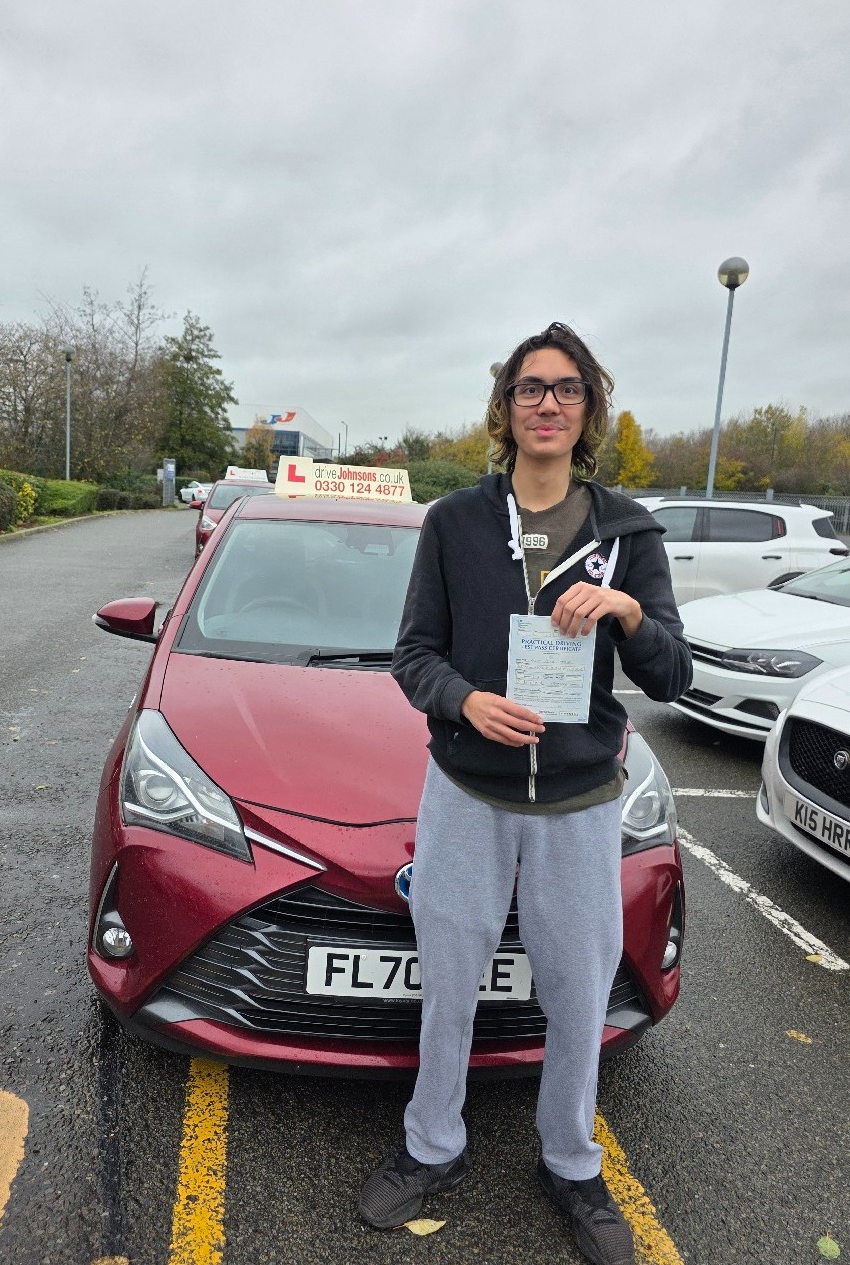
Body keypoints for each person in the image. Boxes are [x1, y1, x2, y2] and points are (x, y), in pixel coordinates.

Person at [358, 322, 692, 1265]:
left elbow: (672, 676)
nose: (548, 403)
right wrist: (465, 700)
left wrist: (628, 612)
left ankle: (572, 1161)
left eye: (568, 389)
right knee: (450, 982)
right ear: (505, 407)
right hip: (466, 788)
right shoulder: (455, 523)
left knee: (579, 991)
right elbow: (413, 655)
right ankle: (433, 1145)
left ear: (589, 409)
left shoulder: (627, 533)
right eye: (530, 388)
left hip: (581, 803)